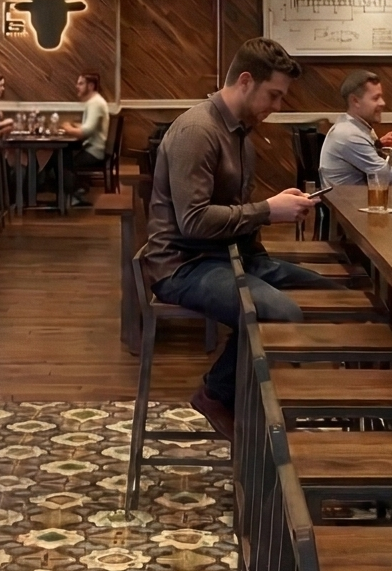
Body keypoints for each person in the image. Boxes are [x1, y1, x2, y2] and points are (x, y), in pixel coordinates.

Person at [144, 36, 341, 437]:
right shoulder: (198, 130)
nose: (277, 107)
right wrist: (269, 210)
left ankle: (271, 407)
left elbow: (233, 214)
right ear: (246, 81)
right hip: (183, 265)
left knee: (331, 294)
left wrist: (271, 214)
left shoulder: (238, 131)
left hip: (226, 255)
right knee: (280, 311)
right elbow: (193, 222)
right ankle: (217, 395)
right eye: (274, 95)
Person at [65, 69, 111, 206]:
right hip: (96, 149)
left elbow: (86, 132)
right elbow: (90, 127)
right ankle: (77, 190)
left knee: (62, 163)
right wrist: (75, 125)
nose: (76, 86)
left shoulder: (95, 103)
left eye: (80, 83)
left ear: (90, 86)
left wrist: (68, 128)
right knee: (64, 158)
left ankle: (77, 191)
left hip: (94, 152)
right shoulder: (96, 102)